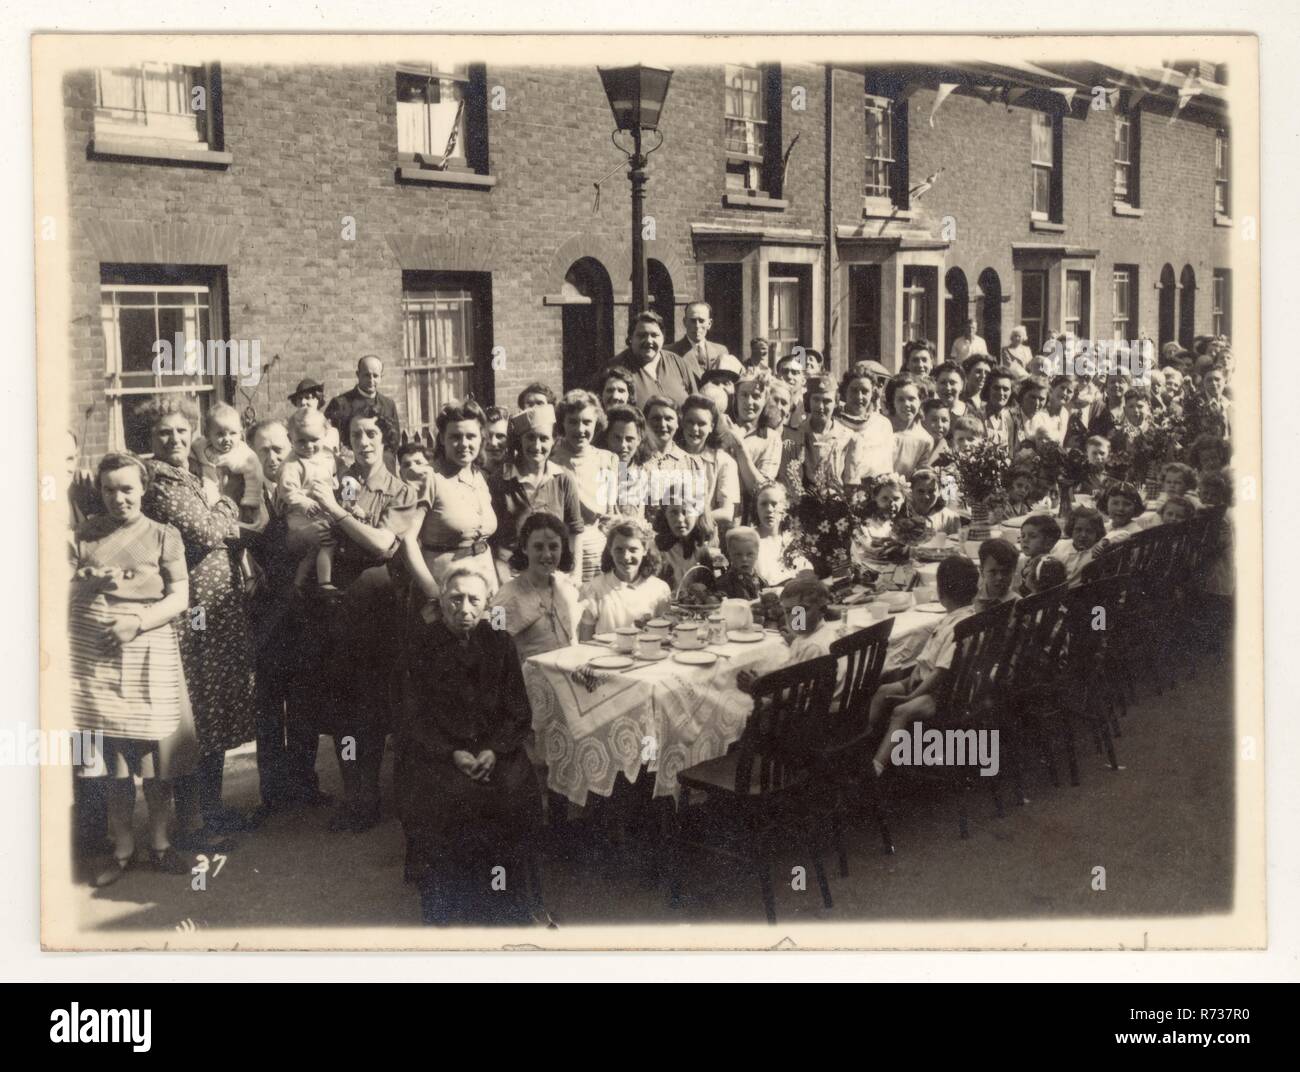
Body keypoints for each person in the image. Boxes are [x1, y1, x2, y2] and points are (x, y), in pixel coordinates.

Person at [70, 454, 195, 886]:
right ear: (99, 491)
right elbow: (63, 592)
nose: (118, 498)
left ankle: (159, 844)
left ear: (143, 489)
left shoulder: (164, 536)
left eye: (127, 489)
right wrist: (83, 583)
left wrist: (137, 622)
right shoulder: (85, 534)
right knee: (112, 764)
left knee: (153, 760)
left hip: (149, 646)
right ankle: (122, 849)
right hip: (98, 654)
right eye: (109, 489)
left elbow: (180, 597)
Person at [395, 568, 542, 926]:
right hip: (439, 753)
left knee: (512, 790)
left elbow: (518, 711)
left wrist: (494, 749)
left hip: (494, 752)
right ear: (441, 601)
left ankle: (507, 900)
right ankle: (453, 904)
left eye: (474, 599)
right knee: (449, 798)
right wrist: (452, 753)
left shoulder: (500, 644)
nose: (464, 607)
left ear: (487, 603)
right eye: (455, 598)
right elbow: (410, 717)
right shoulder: (419, 646)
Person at [139, 398, 257, 844]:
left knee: (218, 712)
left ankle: (212, 811)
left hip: (219, 609)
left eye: (181, 432)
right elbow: (209, 532)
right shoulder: (161, 483)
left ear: (194, 436)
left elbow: (220, 529)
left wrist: (219, 510)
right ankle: (196, 824)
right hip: (195, 616)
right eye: (164, 433)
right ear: (150, 440)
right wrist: (227, 501)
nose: (174, 440)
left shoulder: (189, 475)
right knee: (201, 716)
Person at [308, 403, 422, 833]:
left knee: (384, 704)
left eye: (373, 434)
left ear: (387, 438)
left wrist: (337, 517)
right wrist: (322, 527)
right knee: (345, 711)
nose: (365, 442)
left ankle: (397, 796)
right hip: (339, 608)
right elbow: (308, 529)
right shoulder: (336, 485)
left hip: (384, 611)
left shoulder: (401, 491)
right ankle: (358, 796)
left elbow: (383, 545)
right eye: (357, 435)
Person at [245, 419, 330, 815]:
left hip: (304, 608)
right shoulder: (250, 497)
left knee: (305, 699)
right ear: (253, 453)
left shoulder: (307, 479)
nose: (274, 457)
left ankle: (303, 782)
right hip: (266, 613)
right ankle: (272, 791)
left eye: (280, 448)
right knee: (268, 703)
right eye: (264, 450)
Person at [865, 555, 981, 776]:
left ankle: (877, 767)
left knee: (901, 711)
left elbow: (941, 673)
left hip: (944, 695)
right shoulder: (965, 617)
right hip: (930, 683)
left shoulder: (959, 628)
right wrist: (910, 681)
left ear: (940, 593)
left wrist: (911, 694)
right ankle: (866, 744)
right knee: (883, 691)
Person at [404, 400, 500, 604]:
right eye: (455, 437)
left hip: (486, 585)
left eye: (471, 436)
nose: (464, 444)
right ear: (441, 439)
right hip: (445, 590)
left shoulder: (479, 476)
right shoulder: (428, 477)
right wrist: (431, 590)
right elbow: (407, 539)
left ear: (481, 438)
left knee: (497, 630)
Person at [488, 404, 583, 587]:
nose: (536, 446)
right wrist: (501, 581)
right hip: (508, 577)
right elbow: (493, 539)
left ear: (554, 440)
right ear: (520, 440)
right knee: (499, 614)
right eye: (530, 438)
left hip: (553, 576)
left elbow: (575, 530)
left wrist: (575, 573)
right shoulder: (500, 479)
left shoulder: (563, 479)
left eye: (544, 438)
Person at [735, 575, 845, 706]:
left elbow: (796, 694)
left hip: (814, 711)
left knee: (745, 707)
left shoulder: (813, 647)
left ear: (822, 610)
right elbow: (792, 670)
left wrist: (759, 687)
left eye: (801, 610)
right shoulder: (812, 635)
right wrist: (765, 677)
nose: (794, 618)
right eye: (788, 611)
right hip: (812, 697)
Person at [489, 512, 583, 661]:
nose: (547, 555)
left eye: (553, 547)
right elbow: (492, 650)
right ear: (525, 548)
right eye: (538, 547)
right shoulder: (503, 599)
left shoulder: (567, 590)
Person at [551, 389, 620, 583]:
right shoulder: (552, 461)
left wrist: (612, 520)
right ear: (563, 423)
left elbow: (612, 511)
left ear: (596, 423)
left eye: (587, 422)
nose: (580, 429)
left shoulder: (607, 460)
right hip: (566, 551)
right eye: (573, 422)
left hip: (601, 551)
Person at [277, 406, 342, 592]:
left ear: (325, 434)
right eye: (301, 441)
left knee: (315, 550)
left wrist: (335, 488)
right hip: (301, 516)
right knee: (327, 542)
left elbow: (332, 476)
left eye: (314, 440)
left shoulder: (326, 457)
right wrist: (304, 502)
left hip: (319, 512)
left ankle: (298, 582)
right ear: (291, 440)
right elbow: (287, 492)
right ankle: (325, 582)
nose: (308, 446)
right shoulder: (291, 465)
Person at [578, 520, 671, 637]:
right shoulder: (594, 589)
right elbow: (585, 640)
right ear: (610, 550)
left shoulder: (659, 589)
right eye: (619, 550)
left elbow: (664, 636)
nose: (626, 557)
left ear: (645, 550)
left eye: (633, 550)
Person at [677, 392, 741, 533]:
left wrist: (688, 520)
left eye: (701, 424)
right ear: (682, 423)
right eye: (690, 422)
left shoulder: (724, 461)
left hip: (704, 535)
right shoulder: (672, 455)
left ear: (711, 426)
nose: (695, 429)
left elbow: (726, 513)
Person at [610, 311, 700, 407]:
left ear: (663, 338)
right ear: (631, 338)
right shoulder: (616, 367)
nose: (649, 341)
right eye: (641, 335)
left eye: (654, 335)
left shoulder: (678, 363)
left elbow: (695, 405)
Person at [190, 402, 262, 519]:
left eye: (233, 433)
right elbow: (191, 448)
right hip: (209, 487)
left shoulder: (243, 453)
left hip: (236, 499)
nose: (227, 439)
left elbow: (254, 474)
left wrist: (250, 501)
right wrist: (192, 460)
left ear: (240, 432)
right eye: (220, 434)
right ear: (207, 434)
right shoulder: (202, 445)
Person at [781, 375, 852, 495]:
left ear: (836, 402)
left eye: (827, 401)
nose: (820, 407)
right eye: (816, 400)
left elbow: (850, 482)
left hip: (837, 503)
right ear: (808, 400)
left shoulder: (847, 436)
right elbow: (790, 479)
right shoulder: (795, 434)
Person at [325, 355, 401, 448]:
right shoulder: (340, 404)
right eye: (367, 375)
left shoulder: (389, 404)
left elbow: (394, 442)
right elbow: (329, 440)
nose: (371, 380)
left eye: (375, 376)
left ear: (381, 377)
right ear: (358, 374)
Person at [655, 491, 721, 598]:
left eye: (687, 512)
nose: (680, 519)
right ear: (665, 514)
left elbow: (710, 591)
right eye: (673, 512)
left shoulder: (702, 550)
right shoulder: (658, 549)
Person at [838, 363, 895, 484]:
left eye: (865, 391)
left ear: (872, 393)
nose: (859, 397)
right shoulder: (835, 422)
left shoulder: (882, 424)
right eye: (853, 390)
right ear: (844, 391)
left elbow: (886, 466)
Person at [753, 480, 810, 587]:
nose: (769, 509)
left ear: (785, 507)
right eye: (763, 504)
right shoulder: (750, 539)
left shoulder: (792, 539)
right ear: (756, 507)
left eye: (774, 504)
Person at [604, 403, 652, 520]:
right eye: (617, 438)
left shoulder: (646, 473)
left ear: (639, 439)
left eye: (629, 439)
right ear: (607, 437)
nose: (623, 445)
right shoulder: (597, 468)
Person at [851, 473, 910, 565]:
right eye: (885, 499)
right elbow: (868, 551)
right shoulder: (864, 524)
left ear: (903, 499)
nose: (891, 504)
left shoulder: (904, 524)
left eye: (896, 499)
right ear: (875, 498)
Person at [884, 374, 933, 478]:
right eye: (900, 399)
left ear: (920, 400)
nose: (906, 404)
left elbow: (920, 477)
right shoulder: (881, 427)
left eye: (911, 399)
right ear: (892, 401)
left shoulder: (924, 439)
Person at [669, 300, 734, 376]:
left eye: (701, 321)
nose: (697, 326)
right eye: (692, 321)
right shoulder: (671, 352)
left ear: (709, 324)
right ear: (685, 322)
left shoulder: (721, 351)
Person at [1052, 506, 1108, 584]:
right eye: (1078, 530)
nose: (1083, 535)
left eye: (1089, 531)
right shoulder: (1060, 546)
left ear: (1097, 533)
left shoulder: (1096, 551)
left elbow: (1122, 533)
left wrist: (1103, 541)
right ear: (1071, 529)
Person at [287, 377, 341, 454]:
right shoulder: (291, 430)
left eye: (307, 397)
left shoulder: (331, 432)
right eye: (299, 398)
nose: (303, 402)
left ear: (318, 400)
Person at [1015, 515, 1063, 594]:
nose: (1025, 540)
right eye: (1023, 536)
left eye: (1033, 536)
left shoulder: (1046, 566)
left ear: (1048, 543)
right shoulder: (1031, 560)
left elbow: (1043, 596)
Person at [714, 525, 765, 599]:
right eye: (738, 554)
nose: (744, 559)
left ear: (757, 554)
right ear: (730, 554)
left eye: (749, 554)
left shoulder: (761, 581)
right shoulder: (724, 583)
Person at [973, 537, 1020, 611]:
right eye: (993, 572)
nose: (999, 577)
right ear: (982, 571)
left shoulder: (1018, 605)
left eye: (1005, 572)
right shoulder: (972, 599)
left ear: (1013, 571)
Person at [981, 369, 1016, 448]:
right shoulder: (978, 415)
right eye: (996, 388)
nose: (1001, 393)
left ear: (1011, 392)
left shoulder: (1010, 419)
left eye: (1005, 389)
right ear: (988, 389)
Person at [775, 352, 808, 428]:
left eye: (795, 372)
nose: (789, 376)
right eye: (784, 372)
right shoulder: (769, 406)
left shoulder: (810, 407)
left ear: (803, 380)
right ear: (777, 377)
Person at [481, 406, 511, 479]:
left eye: (500, 436)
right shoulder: (469, 474)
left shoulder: (514, 473)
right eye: (487, 436)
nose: (493, 443)